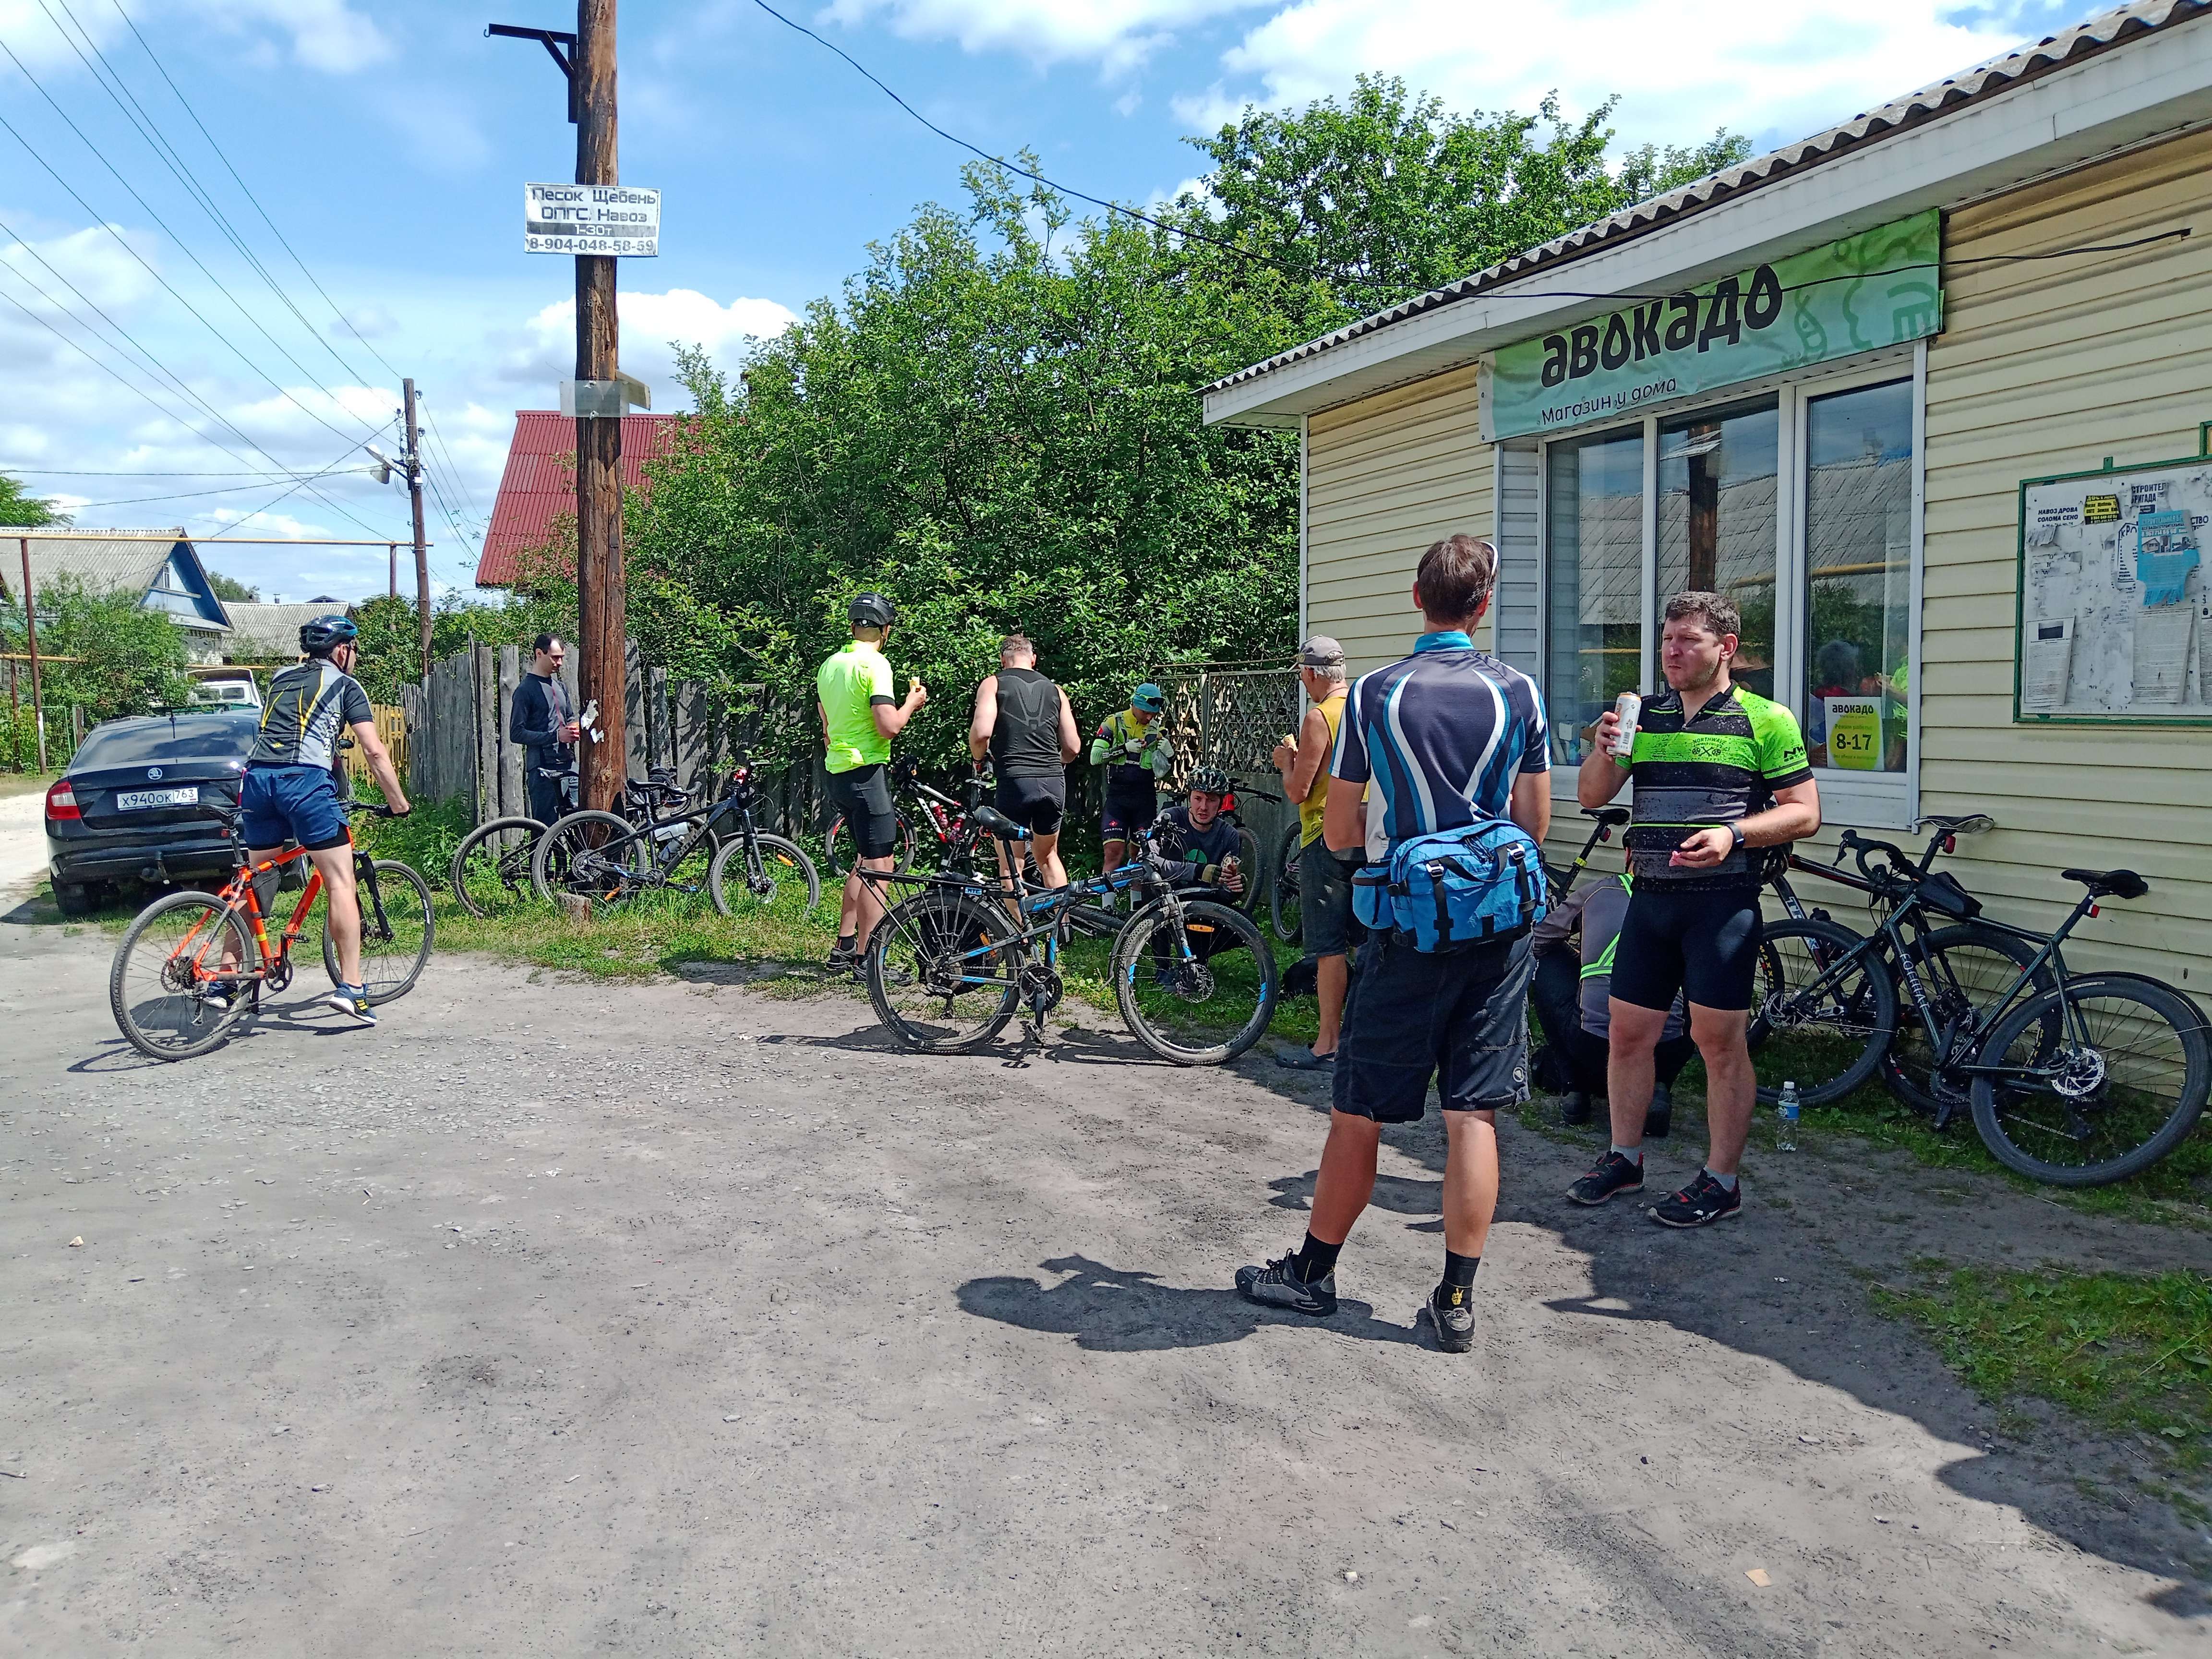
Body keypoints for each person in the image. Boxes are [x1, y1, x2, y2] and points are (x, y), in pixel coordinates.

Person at [1236, 533, 1550, 1355]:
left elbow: (1341, 828)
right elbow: (1534, 822)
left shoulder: (1376, 692)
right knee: (1472, 1114)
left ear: (1417, 598)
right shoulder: (1519, 691)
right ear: (1482, 606)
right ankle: (1455, 1300)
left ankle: (1311, 1274)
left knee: (1358, 1112)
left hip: (1407, 926)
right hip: (1496, 927)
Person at [1567, 590, 1819, 1227]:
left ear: (1726, 647)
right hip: (1650, 901)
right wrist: (1603, 747)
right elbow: (1592, 796)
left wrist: (1734, 834)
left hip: (1721, 906)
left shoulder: (1767, 719)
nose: (1672, 653)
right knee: (1628, 1035)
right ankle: (1624, 1159)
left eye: (1688, 641)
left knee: (1719, 1044)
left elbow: (1804, 813)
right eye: (1667, 640)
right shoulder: (1646, 716)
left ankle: (1722, 1180)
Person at [236, 615, 410, 1026]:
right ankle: (352, 988)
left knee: (256, 880)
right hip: (303, 784)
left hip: (257, 780)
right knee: (341, 881)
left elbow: (290, 731)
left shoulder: (280, 678)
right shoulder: (346, 685)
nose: (355, 658)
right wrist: (399, 803)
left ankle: (227, 981)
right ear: (342, 650)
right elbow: (374, 751)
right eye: (355, 651)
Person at [1530, 870, 1694, 1133]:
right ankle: (1658, 1087)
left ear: (1629, 854)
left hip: (1592, 1043)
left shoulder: (1599, 890)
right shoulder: (1695, 899)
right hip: (1665, 1047)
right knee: (1695, 981)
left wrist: (1585, 963)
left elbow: (1539, 941)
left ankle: (1574, 1088)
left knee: (1546, 959)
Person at [818, 593, 928, 974]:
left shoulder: (830, 665)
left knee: (864, 861)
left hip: (838, 773)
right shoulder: (876, 665)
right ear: (886, 630)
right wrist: (912, 702)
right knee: (881, 867)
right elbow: (889, 726)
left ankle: (845, 946)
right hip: (867, 773)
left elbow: (826, 726)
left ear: (852, 627)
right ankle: (869, 960)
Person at [1271, 636, 1352, 1070]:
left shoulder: (1319, 717)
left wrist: (1287, 761)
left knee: (1329, 945)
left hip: (1324, 834)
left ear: (1311, 673)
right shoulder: (1364, 707)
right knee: (1370, 939)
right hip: (1369, 833)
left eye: (1303, 675)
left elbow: (1299, 790)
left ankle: (1328, 1042)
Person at [968, 634, 1079, 887]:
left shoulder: (993, 684)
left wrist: (979, 758)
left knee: (1011, 863)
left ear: (1003, 660)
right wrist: (1057, 762)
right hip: (1053, 781)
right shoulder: (1056, 691)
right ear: (1033, 659)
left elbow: (982, 733)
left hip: (1015, 780)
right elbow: (1073, 747)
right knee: (1049, 857)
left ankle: (1018, 916)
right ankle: (1063, 914)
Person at [1090, 682, 1172, 876]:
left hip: (1145, 799)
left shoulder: (1157, 730)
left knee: (1141, 855)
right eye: (1145, 712)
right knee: (1113, 853)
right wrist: (1124, 749)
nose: (1149, 717)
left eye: (1153, 714)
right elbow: (1095, 757)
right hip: (1118, 798)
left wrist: (1170, 756)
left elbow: (1165, 775)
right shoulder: (1114, 723)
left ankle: (1136, 896)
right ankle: (1106, 896)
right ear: (1135, 704)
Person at [509, 633, 580, 825]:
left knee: (582, 822)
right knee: (546, 829)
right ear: (539, 654)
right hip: (543, 769)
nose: (560, 663)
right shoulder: (525, 690)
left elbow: (570, 717)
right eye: (555, 658)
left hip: (569, 766)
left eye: (562, 658)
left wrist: (575, 727)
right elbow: (516, 733)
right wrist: (556, 736)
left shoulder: (560, 686)